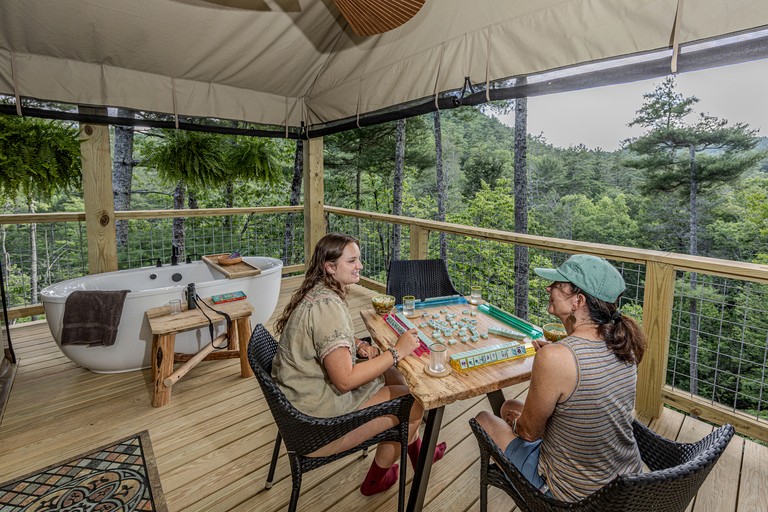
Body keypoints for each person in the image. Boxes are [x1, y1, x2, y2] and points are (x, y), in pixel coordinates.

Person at [271, 233, 446, 496]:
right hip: (315, 425)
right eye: (352, 261)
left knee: (394, 376)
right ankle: (376, 480)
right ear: (330, 267)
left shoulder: (317, 292)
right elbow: (345, 381)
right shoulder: (329, 307)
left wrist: (357, 344)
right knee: (414, 402)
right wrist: (396, 351)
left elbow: (322, 335)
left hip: (300, 402)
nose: (360, 266)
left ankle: (420, 454)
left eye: (359, 260)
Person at [474, 254, 646, 502]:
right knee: (508, 405)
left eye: (557, 284)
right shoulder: (623, 344)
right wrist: (555, 355)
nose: (548, 288)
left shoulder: (557, 358)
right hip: (625, 486)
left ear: (578, 300)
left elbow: (529, 433)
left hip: (575, 497)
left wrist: (517, 422)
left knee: (483, 419)